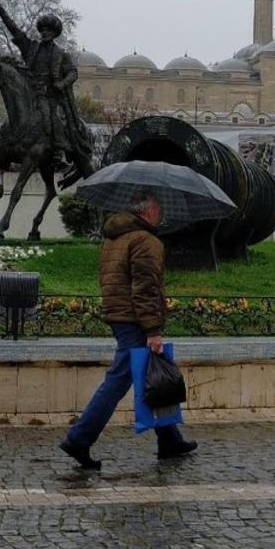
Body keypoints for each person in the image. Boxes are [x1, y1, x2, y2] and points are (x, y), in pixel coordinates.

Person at [59, 190, 196, 469]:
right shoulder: (145, 240)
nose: (160, 216)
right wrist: (153, 329)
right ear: (147, 212)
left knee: (152, 374)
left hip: (120, 315)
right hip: (135, 320)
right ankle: (79, 439)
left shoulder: (115, 238)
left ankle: (169, 439)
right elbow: (145, 288)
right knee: (119, 380)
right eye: (158, 211)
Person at [0, 0, 94, 185]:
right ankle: (3, 150)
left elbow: (73, 72)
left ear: (55, 33)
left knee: (51, 120)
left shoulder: (62, 55)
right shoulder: (31, 48)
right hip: (30, 95)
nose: (45, 33)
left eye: (49, 30)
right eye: (43, 29)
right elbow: (14, 28)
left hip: (50, 96)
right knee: (10, 122)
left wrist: (61, 84)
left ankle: (58, 153)